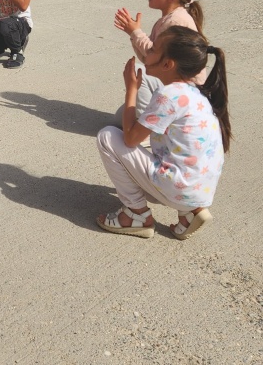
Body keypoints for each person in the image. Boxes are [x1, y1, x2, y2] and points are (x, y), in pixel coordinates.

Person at [95, 27, 231, 240]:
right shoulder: (195, 92)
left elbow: (130, 138)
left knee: (108, 137)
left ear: (168, 64)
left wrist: (131, 89)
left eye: (154, 49)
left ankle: (136, 215)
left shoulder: (169, 95)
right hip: (200, 190)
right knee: (153, 147)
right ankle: (189, 214)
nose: (147, 52)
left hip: (178, 187)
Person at [113, 0, 204, 118]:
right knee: (119, 118)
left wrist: (135, 32)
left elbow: (154, 57)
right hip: (171, 82)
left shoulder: (176, 21)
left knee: (138, 72)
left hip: (185, 90)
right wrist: (133, 34)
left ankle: (147, 132)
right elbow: (149, 58)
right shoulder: (168, 18)